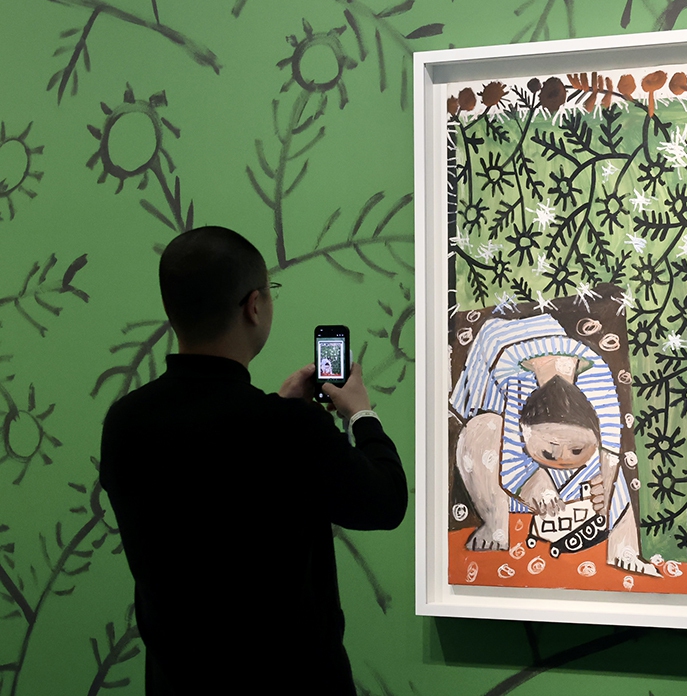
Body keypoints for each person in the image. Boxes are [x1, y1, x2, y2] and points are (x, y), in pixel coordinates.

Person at [100, 226, 407, 695]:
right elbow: (385, 502)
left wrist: (283, 411)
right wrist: (361, 414)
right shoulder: (287, 430)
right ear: (254, 306)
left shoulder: (126, 422)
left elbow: (212, 484)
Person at [450, 312, 658, 576]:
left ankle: (624, 549)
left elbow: (610, 450)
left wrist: (605, 487)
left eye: (575, 450)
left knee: (615, 481)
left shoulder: (598, 378)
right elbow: (511, 464)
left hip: (569, 484)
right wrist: (534, 484)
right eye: (549, 451)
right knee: (481, 429)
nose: (562, 458)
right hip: (508, 473)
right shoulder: (516, 380)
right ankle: (495, 525)